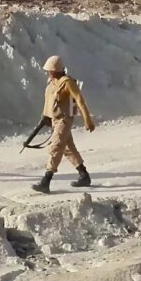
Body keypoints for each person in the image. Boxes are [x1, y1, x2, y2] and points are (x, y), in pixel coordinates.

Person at [31, 55, 96, 194]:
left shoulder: (67, 83)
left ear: (56, 70)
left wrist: (87, 120)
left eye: (50, 70)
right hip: (55, 120)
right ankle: (84, 175)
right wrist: (47, 117)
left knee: (56, 147)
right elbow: (50, 102)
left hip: (64, 120)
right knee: (67, 148)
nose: (48, 72)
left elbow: (80, 100)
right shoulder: (52, 83)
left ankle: (46, 181)